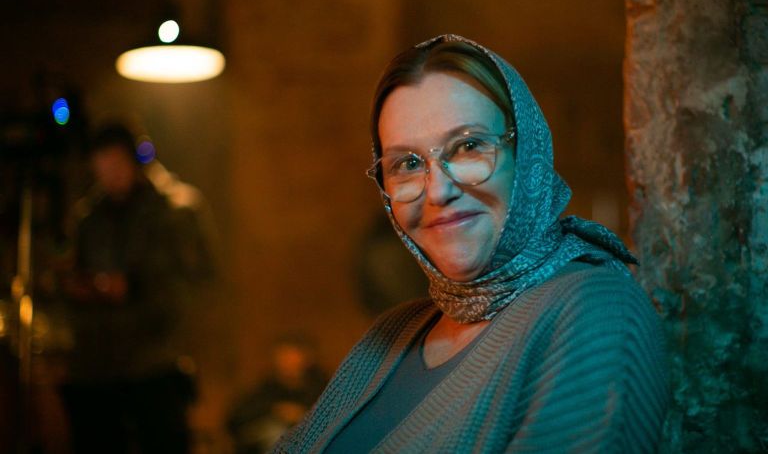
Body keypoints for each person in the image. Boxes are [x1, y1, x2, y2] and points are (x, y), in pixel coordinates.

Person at [275, 35, 668, 452]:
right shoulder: (393, 332)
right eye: (408, 163)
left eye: (467, 146)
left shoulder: (594, 309)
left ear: (526, 152)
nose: (438, 191)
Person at [59, 123, 215, 454]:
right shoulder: (90, 218)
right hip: (100, 367)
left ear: (135, 160)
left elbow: (198, 282)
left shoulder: (175, 210)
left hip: (157, 362)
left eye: (116, 164)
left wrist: (137, 287)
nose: (110, 175)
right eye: (102, 167)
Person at [228, 334, 329, 454]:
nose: (287, 362)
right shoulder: (266, 387)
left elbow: (332, 418)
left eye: (292, 356)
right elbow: (236, 419)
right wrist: (276, 411)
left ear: (307, 358)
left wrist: (303, 415)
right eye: (283, 357)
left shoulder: (323, 387)